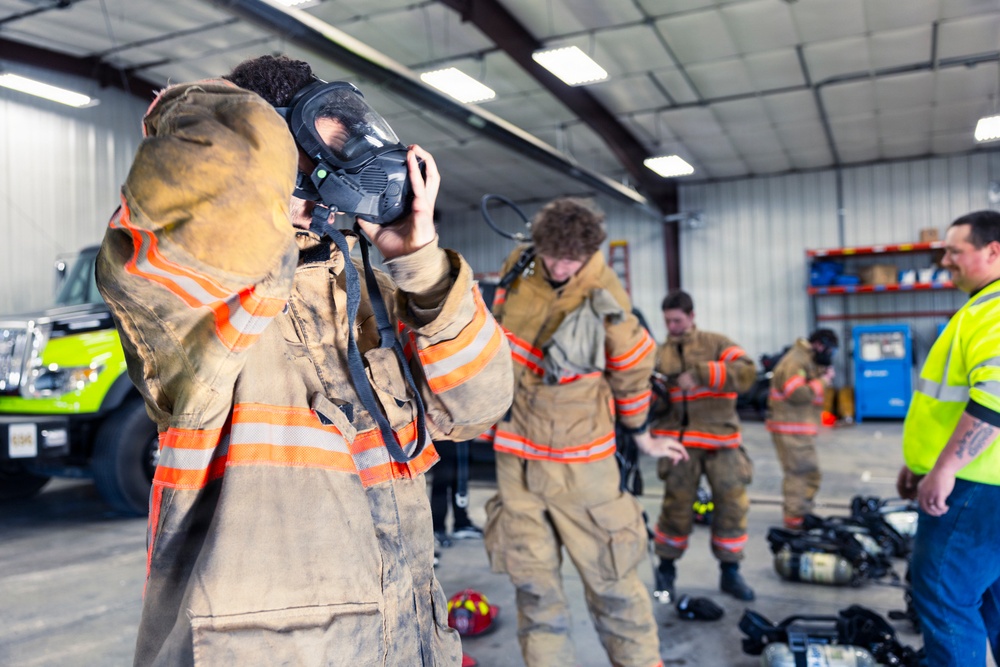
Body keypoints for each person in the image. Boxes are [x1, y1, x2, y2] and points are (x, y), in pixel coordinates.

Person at [95, 54, 513, 666]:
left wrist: (419, 260)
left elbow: (480, 407)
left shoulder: (373, 292)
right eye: (315, 158)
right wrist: (236, 148)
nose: (334, 177)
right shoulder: (202, 303)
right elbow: (184, 247)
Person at [483, 197, 687, 667]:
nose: (558, 266)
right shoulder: (522, 265)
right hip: (516, 463)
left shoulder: (605, 293)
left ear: (589, 253)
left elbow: (634, 371)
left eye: (570, 260)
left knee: (613, 586)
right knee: (535, 593)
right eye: (551, 254)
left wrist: (640, 434)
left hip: (583, 467)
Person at [897, 210, 1000, 667]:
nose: (945, 260)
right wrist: (922, 460)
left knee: (943, 597)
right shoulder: (982, 306)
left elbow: (995, 395)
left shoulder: (992, 310)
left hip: (974, 490)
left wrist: (944, 468)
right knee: (992, 600)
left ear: (992, 251)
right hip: (983, 486)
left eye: (955, 251)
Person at [649, 290, 757, 603]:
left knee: (732, 506)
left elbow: (747, 374)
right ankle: (666, 571)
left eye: (678, 320)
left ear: (692, 316)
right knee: (675, 510)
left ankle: (730, 573)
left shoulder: (717, 344)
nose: (672, 326)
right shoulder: (659, 355)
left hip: (722, 442)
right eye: (668, 320)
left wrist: (701, 374)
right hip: (679, 445)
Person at [767, 328, 839, 529]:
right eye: (829, 350)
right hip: (791, 429)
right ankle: (796, 517)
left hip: (798, 428)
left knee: (808, 472)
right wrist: (823, 381)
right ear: (819, 345)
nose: (830, 355)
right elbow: (797, 393)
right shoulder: (796, 361)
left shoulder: (805, 359)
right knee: (802, 472)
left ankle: (801, 512)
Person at [429, 439, 483, 548]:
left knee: (461, 474)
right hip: (443, 431)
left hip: (463, 429)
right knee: (443, 476)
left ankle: (461, 522)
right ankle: (437, 528)